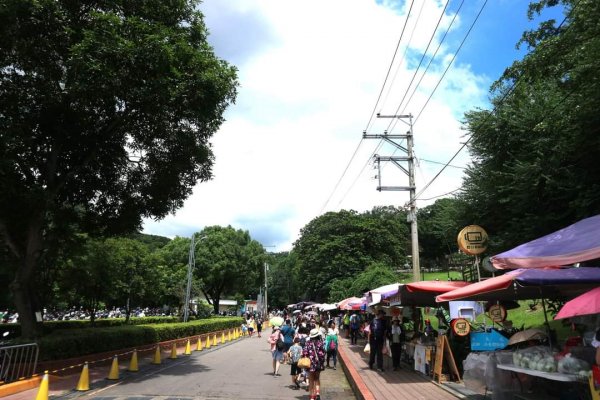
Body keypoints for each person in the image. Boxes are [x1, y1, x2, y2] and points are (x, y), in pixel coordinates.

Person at [302, 328, 325, 400]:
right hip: (318, 364)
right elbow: (323, 354)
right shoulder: (320, 343)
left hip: (310, 365)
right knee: (317, 378)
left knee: (311, 380)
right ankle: (317, 394)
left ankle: (312, 397)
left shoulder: (308, 343)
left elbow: (304, 353)